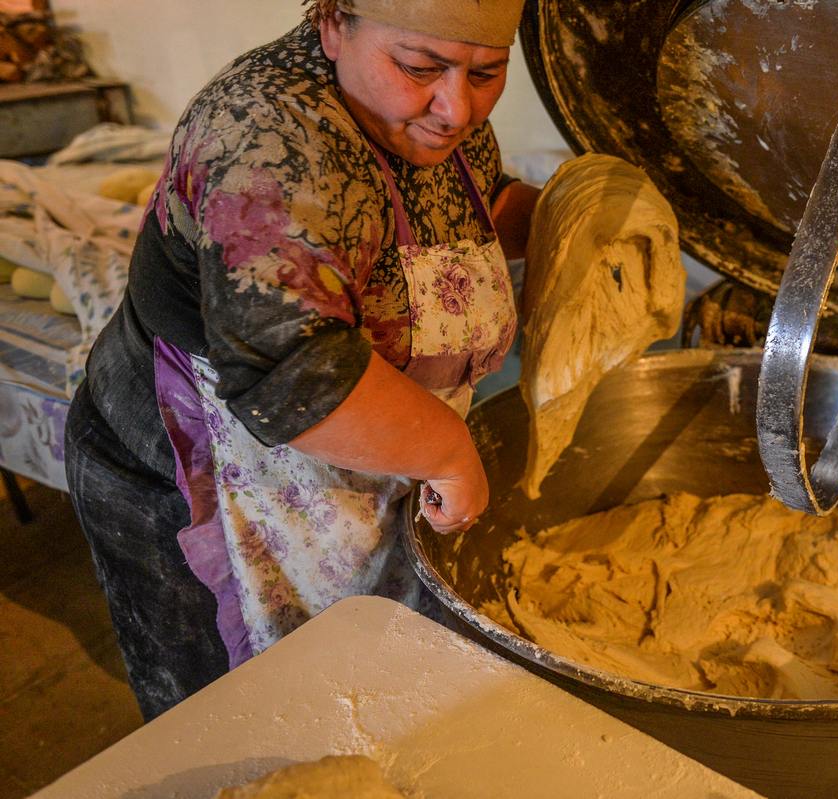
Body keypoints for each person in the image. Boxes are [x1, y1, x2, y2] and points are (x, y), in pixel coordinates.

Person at [65, 0, 542, 721]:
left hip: (354, 475)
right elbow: (291, 374)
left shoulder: (428, 111)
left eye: (487, 73)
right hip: (210, 487)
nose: (456, 107)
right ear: (332, 25)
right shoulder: (267, 136)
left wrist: (561, 216)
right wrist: (447, 451)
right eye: (420, 68)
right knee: (241, 728)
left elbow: (469, 197)